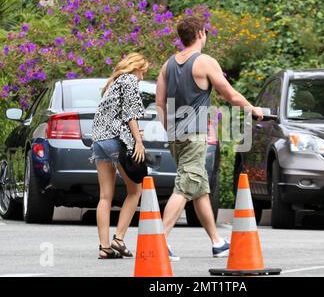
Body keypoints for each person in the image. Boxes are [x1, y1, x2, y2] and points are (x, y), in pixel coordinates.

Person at [156, 16, 263, 260]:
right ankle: (159, 240)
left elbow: (160, 103)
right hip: (195, 135)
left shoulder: (167, 65)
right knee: (185, 185)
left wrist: (169, 128)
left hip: (175, 135)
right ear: (201, 34)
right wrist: (253, 109)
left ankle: (217, 242)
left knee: (199, 188)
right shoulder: (204, 62)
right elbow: (230, 94)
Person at [91, 53, 148, 259]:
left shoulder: (113, 83)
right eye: (143, 72)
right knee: (135, 190)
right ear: (136, 67)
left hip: (98, 142)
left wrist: (133, 134)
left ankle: (105, 247)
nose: (142, 77)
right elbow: (130, 114)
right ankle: (119, 238)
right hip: (115, 141)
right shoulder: (130, 80)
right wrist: (138, 142)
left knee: (105, 196)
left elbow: (113, 115)